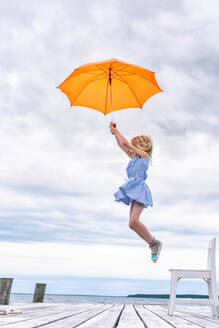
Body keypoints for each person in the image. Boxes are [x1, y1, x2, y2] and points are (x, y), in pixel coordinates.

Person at [110, 122, 162, 263]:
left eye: (135, 145)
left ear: (142, 146)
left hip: (139, 188)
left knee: (134, 220)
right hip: (133, 188)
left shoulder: (144, 156)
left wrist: (116, 130)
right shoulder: (134, 158)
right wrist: (115, 133)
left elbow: (126, 144)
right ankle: (153, 243)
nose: (132, 148)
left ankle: (154, 243)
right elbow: (122, 145)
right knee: (132, 224)